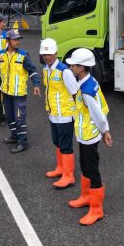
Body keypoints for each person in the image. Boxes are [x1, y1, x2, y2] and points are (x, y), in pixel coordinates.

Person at [65, 48, 112, 226]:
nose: (70, 67)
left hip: (89, 135)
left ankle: (97, 209)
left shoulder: (86, 90)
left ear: (82, 67)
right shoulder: (88, 81)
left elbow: (98, 114)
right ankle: (86, 197)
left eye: (73, 65)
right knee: (85, 166)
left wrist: (105, 131)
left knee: (92, 170)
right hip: (84, 133)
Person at [0, 30, 41, 154]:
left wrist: (36, 84)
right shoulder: (1, 55)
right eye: (14, 39)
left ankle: (22, 142)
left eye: (18, 39)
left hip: (19, 94)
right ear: (7, 41)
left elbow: (33, 70)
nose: (17, 41)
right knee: (9, 117)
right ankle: (14, 136)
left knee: (20, 118)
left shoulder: (24, 56)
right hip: (6, 93)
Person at [39, 38, 78, 189]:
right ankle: (61, 169)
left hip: (66, 115)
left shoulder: (64, 71)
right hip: (53, 113)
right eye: (44, 54)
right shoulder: (46, 70)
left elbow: (75, 93)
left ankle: (69, 176)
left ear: (56, 53)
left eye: (49, 54)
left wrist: (79, 114)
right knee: (57, 142)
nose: (47, 57)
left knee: (66, 145)